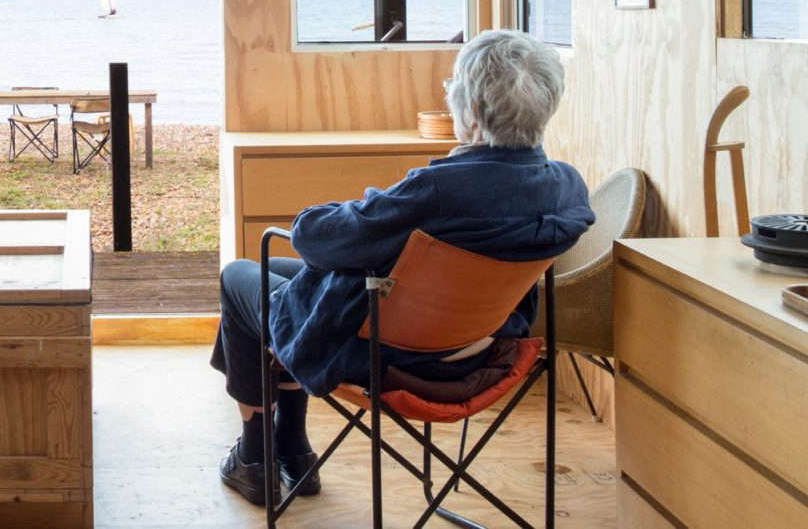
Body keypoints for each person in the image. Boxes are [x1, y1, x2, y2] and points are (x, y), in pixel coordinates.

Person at [209, 30, 595, 505]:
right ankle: (293, 449)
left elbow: (316, 239)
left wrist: (360, 206)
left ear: (469, 109)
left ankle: (254, 457)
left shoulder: (436, 190)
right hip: (481, 350)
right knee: (293, 286)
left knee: (241, 277)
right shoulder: (567, 189)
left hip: (390, 357)